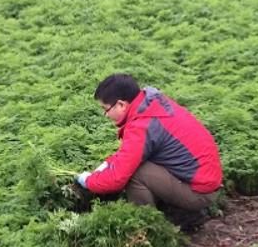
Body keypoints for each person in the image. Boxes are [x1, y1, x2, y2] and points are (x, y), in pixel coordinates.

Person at [75, 74, 223, 231]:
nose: (106, 115)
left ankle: (146, 227)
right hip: (206, 180)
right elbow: (131, 153)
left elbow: (117, 178)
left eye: (106, 109)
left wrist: (89, 181)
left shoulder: (142, 125)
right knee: (138, 165)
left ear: (121, 105)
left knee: (135, 173)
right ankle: (168, 212)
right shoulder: (151, 102)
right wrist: (108, 164)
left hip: (199, 193)